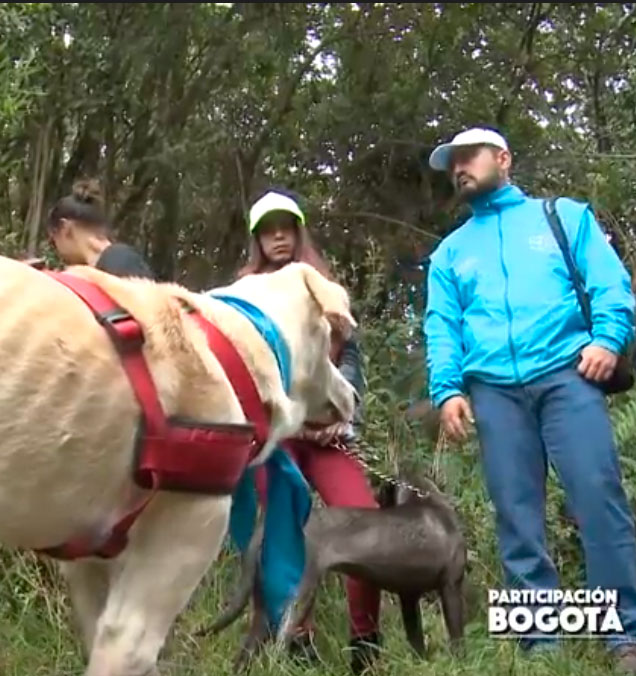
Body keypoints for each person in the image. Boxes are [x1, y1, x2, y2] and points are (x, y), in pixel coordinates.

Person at [423, 127, 636, 672]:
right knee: (516, 515)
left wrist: (608, 339)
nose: (459, 169)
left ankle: (624, 637)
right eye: (452, 164)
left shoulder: (561, 216)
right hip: (494, 392)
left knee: (598, 498)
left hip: (568, 376)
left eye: (468, 158)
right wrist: (447, 390)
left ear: (503, 159)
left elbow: (612, 285)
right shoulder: (450, 253)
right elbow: (442, 326)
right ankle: (539, 643)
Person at [234, 189, 382, 672]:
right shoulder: (241, 295)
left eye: (286, 226)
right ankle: (296, 639)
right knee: (283, 530)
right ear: (257, 239)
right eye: (268, 229)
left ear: (298, 231)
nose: (278, 236)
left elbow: (351, 358)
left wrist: (345, 417)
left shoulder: (326, 288)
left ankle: (366, 642)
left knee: (362, 524)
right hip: (278, 438)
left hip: (328, 436)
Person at [46, 179, 155, 279]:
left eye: (53, 242)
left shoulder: (120, 261)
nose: (57, 251)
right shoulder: (107, 267)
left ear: (65, 229)